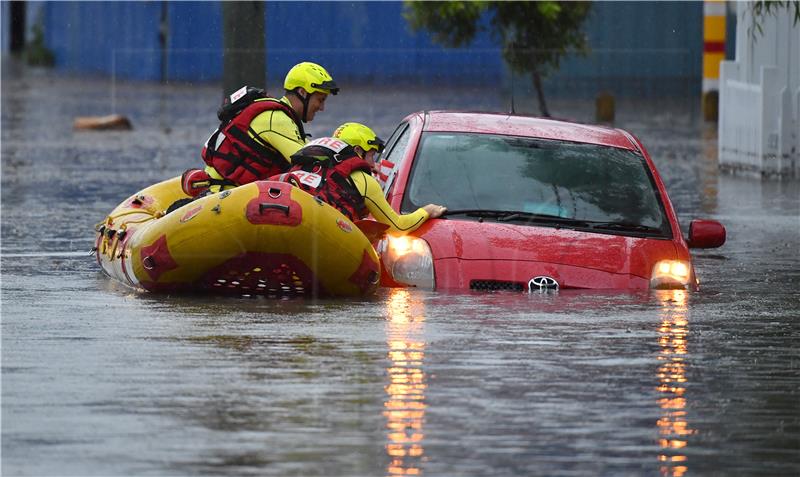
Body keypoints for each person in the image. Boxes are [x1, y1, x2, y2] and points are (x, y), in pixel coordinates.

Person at [183, 61, 339, 196]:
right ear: (303, 92)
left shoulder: (282, 119)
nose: (322, 108)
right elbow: (310, 163)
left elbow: (311, 149)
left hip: (223, 192)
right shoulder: (277, 119)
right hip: (222, 196)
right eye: (320, 100)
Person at [275, 122, 447, 235]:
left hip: (281, 222)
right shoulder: (364, 180)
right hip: (318, 236)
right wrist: (427, 211)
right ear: (357, 150)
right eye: (372, 155)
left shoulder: (304, 164)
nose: (373, 164)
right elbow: (398, 227)